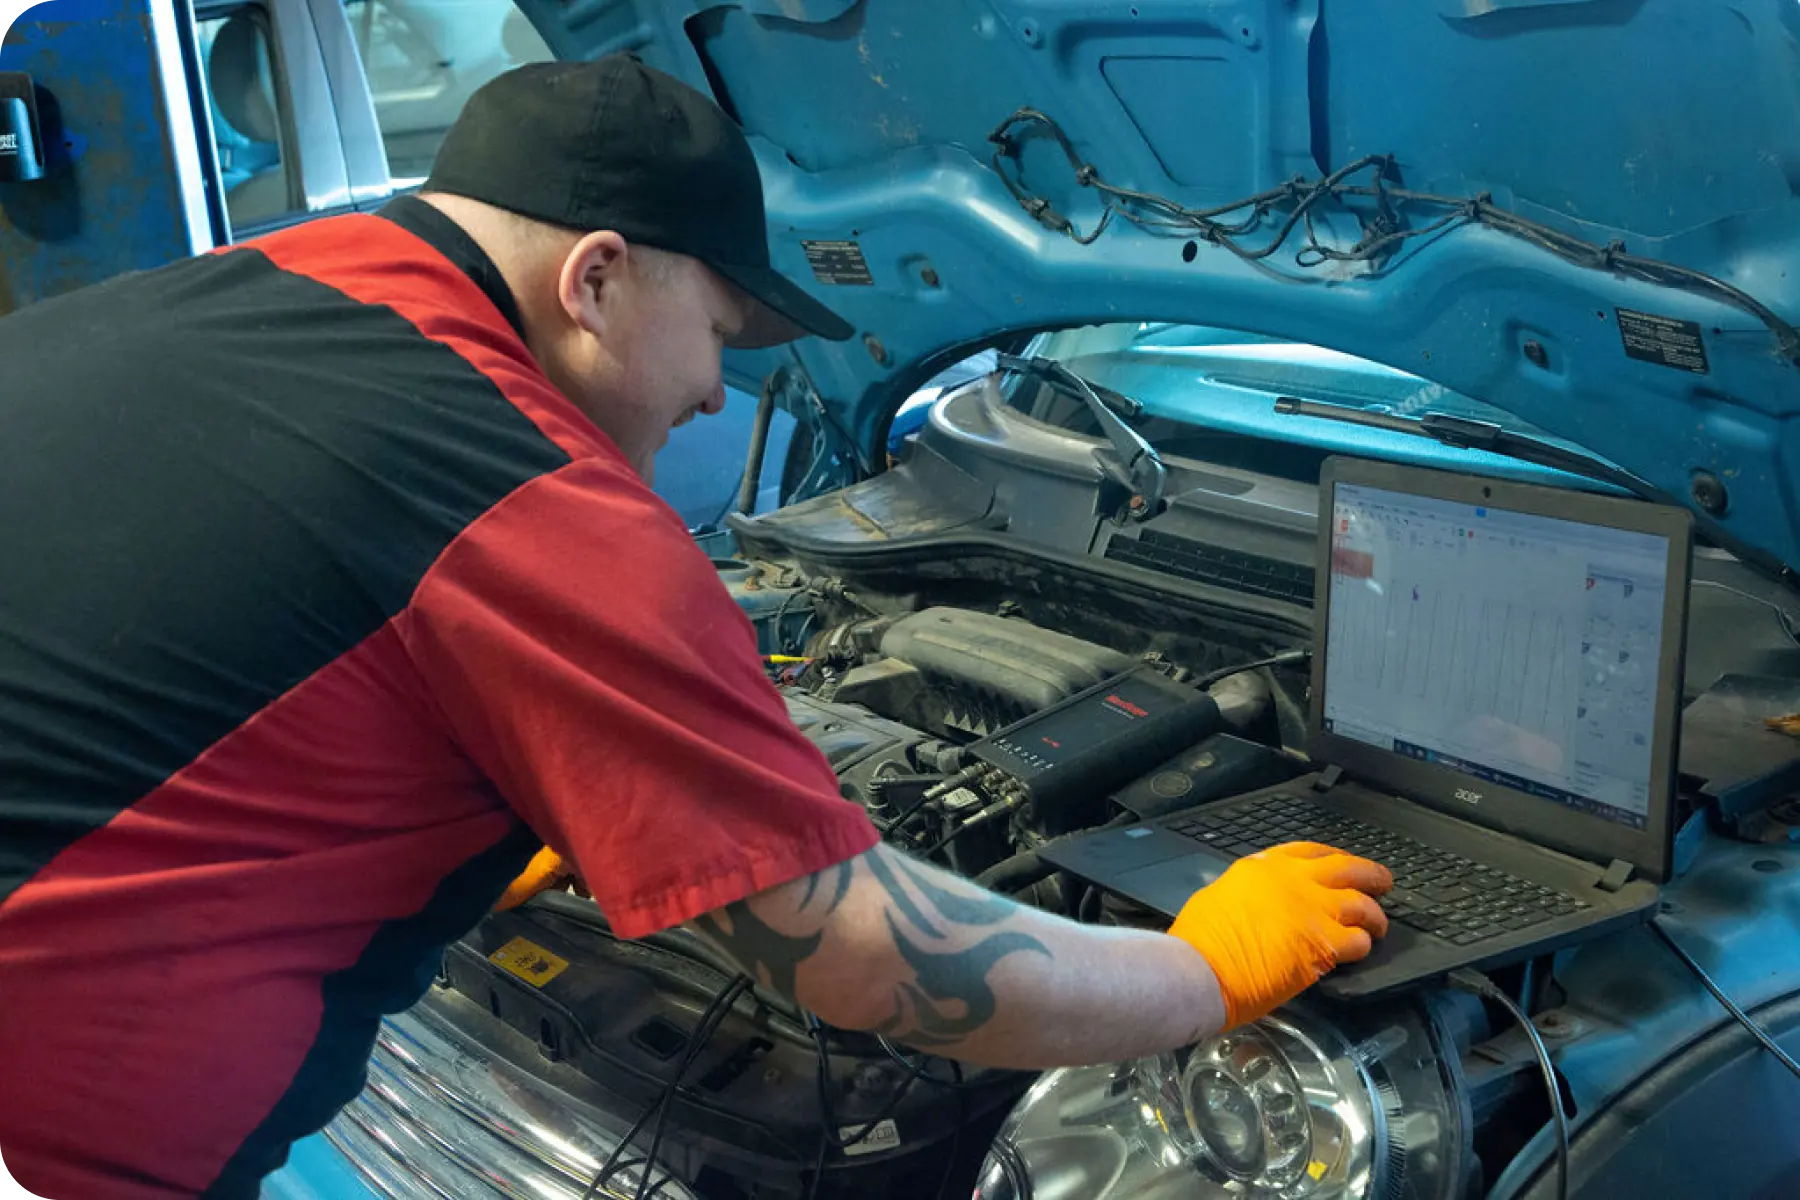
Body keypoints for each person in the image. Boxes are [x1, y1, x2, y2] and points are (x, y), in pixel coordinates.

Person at [0, 55, 1392, 1198]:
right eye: (721, 330)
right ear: (594, 278)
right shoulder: (524, 495)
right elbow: (870, 959)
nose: (719, 396)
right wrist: (1205, 969)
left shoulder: (204, 306)